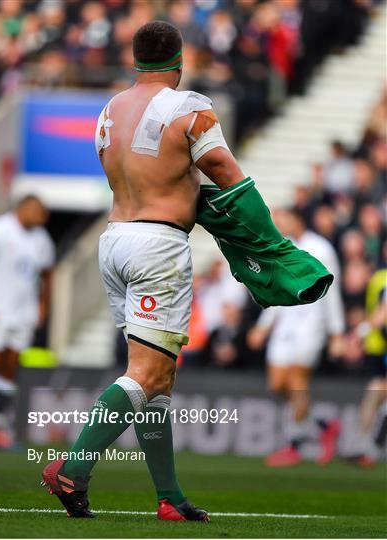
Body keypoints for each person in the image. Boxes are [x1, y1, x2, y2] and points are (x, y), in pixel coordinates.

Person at [42, 20, 247, 521]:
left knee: (158, 381)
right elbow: (223, 169)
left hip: (114, 240)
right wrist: (258, 226)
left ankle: (169, 497)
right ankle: (74, 467)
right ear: (179, 60)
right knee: (147, 373)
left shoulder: (110, 110)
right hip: (158, 243)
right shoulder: (188, 104)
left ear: (136, 60)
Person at [247, 208, 345, 467]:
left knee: (297, 381)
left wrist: (337, 332)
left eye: (281, 219)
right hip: (285, 326)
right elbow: (278, 290)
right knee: (278, 384)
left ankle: (295, 444)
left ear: (296, 219)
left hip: (311, 324)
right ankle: (324, 425)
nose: (277, 224)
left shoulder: (321, 248)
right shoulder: (283, 247)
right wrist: (264, 326)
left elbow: (331, 292)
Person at [0, 195, 54, 448]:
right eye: (38, 210)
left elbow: (48, 274)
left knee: (8, 371)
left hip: (22, 315)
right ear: (22, 208)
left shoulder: (42, 239)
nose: (42, 216)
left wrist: (43, 306)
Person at [346, 268, 387, 467]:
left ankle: (368, 446)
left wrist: (358, 334)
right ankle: (368, 446)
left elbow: (382, 313)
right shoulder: (380, 277)